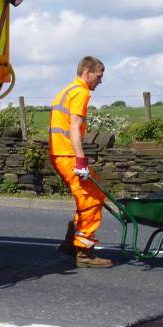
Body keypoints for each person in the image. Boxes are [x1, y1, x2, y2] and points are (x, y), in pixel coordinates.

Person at [50, 56, 110, 267]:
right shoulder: (81, 92)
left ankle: (70, 243)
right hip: (67, 155)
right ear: (87, 72)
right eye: (99, 76)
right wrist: (81, 161)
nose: (100, 81)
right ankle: (83, 251)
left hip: (61, 153)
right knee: (90, 199)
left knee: (94, 193)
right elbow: (74, 128)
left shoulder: (67, 90)